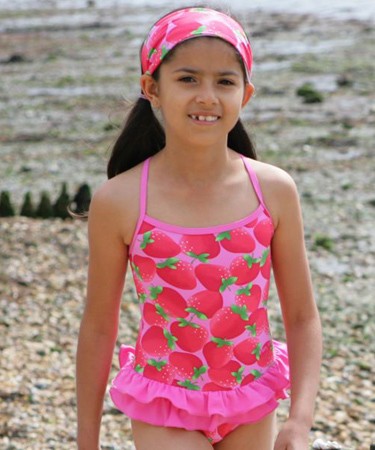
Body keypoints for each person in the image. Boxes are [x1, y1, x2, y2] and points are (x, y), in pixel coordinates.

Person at [76, 6, 322, 450]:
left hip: (251, 395)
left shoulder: (273, 190)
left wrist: (300, 421)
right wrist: (86, 441)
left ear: (245, 95)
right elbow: (98, 327)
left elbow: (302, 317)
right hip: (164, 400)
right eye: (188, 79)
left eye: (225, 81)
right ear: (152, 88)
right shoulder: (120, 200)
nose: (207, 96)